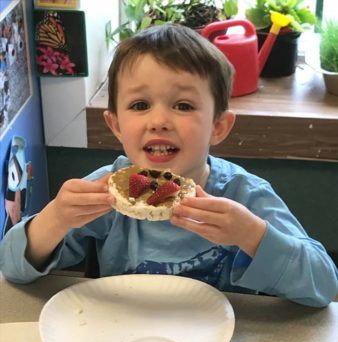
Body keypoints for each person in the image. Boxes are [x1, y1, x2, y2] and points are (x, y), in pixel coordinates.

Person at [0, 24, 337, 308]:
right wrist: (55, 219)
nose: (159, 120)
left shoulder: (245, 196)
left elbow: (323, 286)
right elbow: (12, 268)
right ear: (115, 124)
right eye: (140, 104)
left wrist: (252, 235)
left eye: (183, 104)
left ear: (218, 127)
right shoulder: (105, 190)